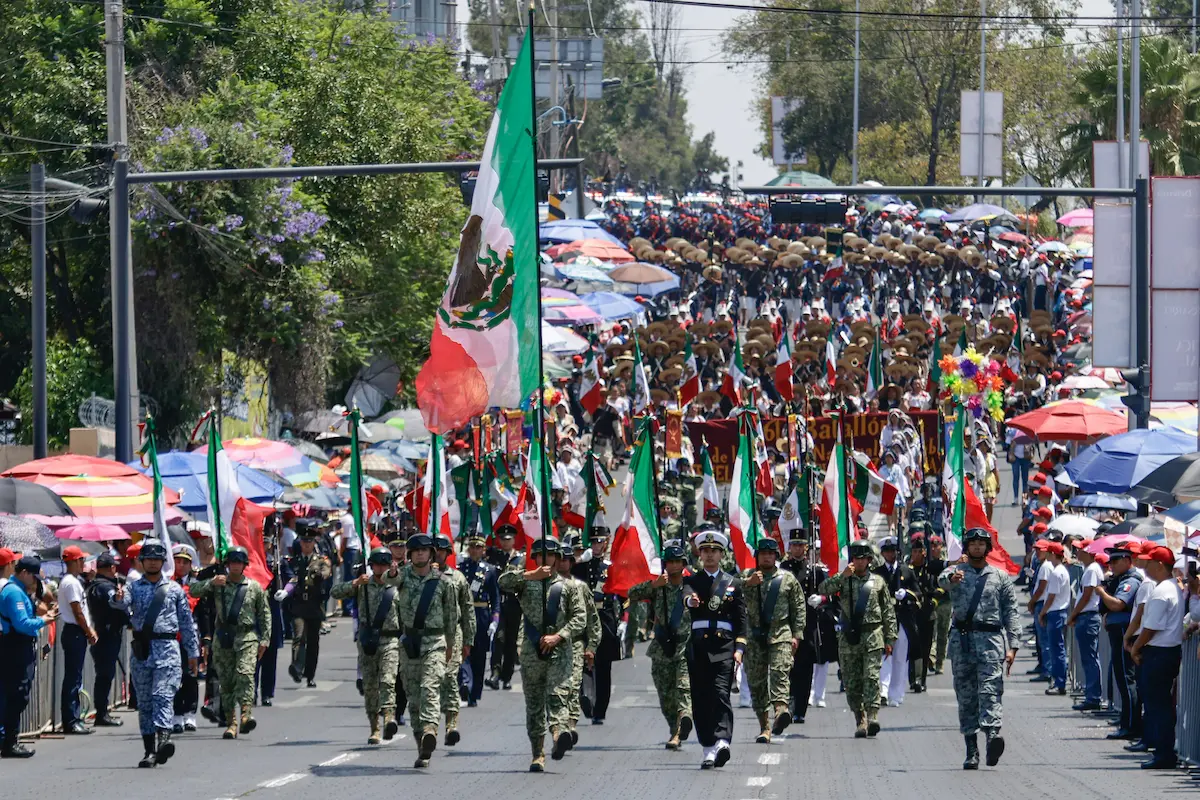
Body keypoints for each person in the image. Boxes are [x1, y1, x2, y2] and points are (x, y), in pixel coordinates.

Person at [498, 537, 587, 772]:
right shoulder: (526, 583)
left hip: (560, 652)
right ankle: (537, 753)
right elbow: (503, 582)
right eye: (540, 555)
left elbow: (580, 618)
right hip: (532, 652)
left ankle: (559, 735)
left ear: (557, 558)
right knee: (535, 704)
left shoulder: (569, 587)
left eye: (550, 555)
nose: (545, 559)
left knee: (558, 696)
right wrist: (529, 575)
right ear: (535, 558)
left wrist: (559, 636)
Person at [939, 528, 1021, 769]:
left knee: (990, 691)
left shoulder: (1000, 577)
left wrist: (1013, 645)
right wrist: (951, 576)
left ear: (987, 547)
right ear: (967, 547)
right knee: (966, 696)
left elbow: (1011, 611)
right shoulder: (956, 573)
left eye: (981, 543)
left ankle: (993, 738)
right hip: (962, 643)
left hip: (991, 643)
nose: (977, 547)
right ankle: (971, 749)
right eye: (973, 543)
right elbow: (941, 581)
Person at [115, 540, 200, 769]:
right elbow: (122, 604)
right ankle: (149, 751)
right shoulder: (133, 587)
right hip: (142, 651)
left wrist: (193, 652)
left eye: (157, 559)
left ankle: (164, 741)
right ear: (142, 562)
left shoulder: (174, 590)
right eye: (149, 559)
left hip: (168, 650)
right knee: (145, 703)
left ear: (163, 562)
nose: (152, 563)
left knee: (163, 696)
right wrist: (118, 598)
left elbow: (186, 623)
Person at [188, 546, 270, 740]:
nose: (235, 566)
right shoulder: (219, 584)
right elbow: (193, 591)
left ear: (244, 565)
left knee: (245, 674)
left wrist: (265, 639)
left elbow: (264, 613)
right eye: (232, 562)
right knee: (226, 683)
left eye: (239, 562)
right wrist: (211, 582)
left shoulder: (254, 587)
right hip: (224, 637)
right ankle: (231, 723)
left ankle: (246, 714)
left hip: (246, 637)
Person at [816, 540, 896, 738]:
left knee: (871, 677)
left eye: (863, 558)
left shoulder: (878, 582)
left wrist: (890, 638)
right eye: (856, 558)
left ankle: (873, 716)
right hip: (849, 636)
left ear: (869, 560)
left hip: (872, 634)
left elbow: (888, 611)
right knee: (852, 683)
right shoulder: (844, 579)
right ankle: (860, 718)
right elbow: (823, 589)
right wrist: (841, 576)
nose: (859, 562)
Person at [682, 530, 746, 769]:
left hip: (724, 647)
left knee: (720, 693)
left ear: (721, 554)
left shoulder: (733, 583)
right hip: (699, 647)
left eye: (714, 551)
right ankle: (708, 748)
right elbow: (686, 596)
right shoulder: (692, 581)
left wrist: (739, 648)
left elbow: (741, 620)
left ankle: (722, 741)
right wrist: (690, 601)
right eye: (705, 551)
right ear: (700, 554)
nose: (709, 555)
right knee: (701, 698)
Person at [332, 546, 402, 745]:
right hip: (368, 640)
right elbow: (334, 592)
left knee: (388, 680)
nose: (380, 568)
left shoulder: (398, 585)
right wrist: (354, 583)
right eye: (376, 565)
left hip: (390, 640)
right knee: (370, 686)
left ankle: (389, 716)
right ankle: (374, 727)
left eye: (384, 564)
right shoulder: (363, 585)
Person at [628, 539, 693, 750]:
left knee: (683, 687)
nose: (673, 565)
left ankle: (685, 718)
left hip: (685, 645)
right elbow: (631, 594)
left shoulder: (691, 586)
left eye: (677, 562)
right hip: (662, 647)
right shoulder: (658, 586)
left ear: (683, 564)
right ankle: (674, 730)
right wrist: (653, 585)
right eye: (670, 562)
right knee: (665, 694)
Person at [393, 533, 450, 768]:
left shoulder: (443, 582)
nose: (419, 553)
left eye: (424, 550)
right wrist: (392, 573)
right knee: (414, 699)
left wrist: (453, 646)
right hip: (410, 644)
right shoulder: (402, 576)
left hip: (435, 641)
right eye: (415, 550)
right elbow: (388, 579)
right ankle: (422, 746)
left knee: (430, 688)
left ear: (431, 554)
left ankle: (430, 730)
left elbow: (451, 616)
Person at [741, 537, 804, 742]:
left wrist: (797, 635)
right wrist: (748, 584)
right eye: (763, 554)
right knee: (757, 682)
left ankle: (780, 710)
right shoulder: (747, 576)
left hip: (780, 633)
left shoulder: (787, 579)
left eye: (770, 554)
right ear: (757, 556)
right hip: (754, 636)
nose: (766, 557)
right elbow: (729, 592)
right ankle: (764, 727)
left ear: (776, 556)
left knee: (780, 672)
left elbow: (798, 607)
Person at [1129, 545, 1185, 769]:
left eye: (1149, 562)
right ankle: (1162, 751)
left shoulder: (1162, 591)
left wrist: (1135, 647)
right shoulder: (1170, 588)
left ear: (1160, 565)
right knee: (1159, 704)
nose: (1145, 566)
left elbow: (1151, 627)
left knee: (1157, 705)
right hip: (1165, 651)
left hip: (1159, 653)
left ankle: (1163, 753)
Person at [0, 556, 55, 758]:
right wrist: (44, 620)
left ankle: (9, 740)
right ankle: (9, 742)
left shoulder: (18, 590)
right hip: (15, 647)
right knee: (17, 694)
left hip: (17, 646)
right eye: (33, 577)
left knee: (15, 694)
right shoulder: (14, 592)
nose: (35, 581)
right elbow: (22, 623)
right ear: (24, 573)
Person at [571, 528, 621, 723]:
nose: (596, 545)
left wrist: (623, 619)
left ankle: (600, 710)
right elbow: (564, 574)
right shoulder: (581, 567)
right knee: (582, 660)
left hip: (605, 617)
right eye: (593, 542)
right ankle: (586, 697)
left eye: (600, 542)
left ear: (606, 543)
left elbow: (622, 593)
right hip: (584, 617)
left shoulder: (611, 567)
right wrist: (578, 560)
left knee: (603, 666)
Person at [1093, 545, 1143, 741]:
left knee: (1126, 680)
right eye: (1110, 561)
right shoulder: (1120, 579)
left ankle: (1131, 726)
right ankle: (1127, 723)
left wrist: (1102, 593)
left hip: (1124, 632)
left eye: (1115, 561)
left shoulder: (1130, 581)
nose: (1111, 565)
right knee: (1122, 680)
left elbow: (1118, 604)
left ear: (1127, 560)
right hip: (1118, 631)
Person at [779, 536, 828, 722]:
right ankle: (788, 706)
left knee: (805, 668)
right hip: (787, 623)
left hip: (808, 624)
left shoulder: (814, 570)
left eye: (800, 545)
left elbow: (830, 594)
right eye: (794, 545)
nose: (797, 548)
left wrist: (821, 599)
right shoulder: (783, 569)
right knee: (787, 667)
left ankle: (800, 709)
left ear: (806, 548)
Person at [556, 541, 599, 744]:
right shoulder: (546, 586)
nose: (562, 563)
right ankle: (560, 726)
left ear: (572, 563)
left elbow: (592, 619)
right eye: (559, 559)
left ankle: (570, 724)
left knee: (573, 686)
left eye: (566, 559)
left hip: (574, 644)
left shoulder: (581, 587)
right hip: (552, 644)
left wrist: (592, 647)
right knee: (556, 689)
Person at [433, 534, 474, 746]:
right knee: (431, 681)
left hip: (452, 634)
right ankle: (429, 727)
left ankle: (451, 725)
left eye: (441, 550)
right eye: (434, 550)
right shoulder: (420, 577)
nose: (437, 554)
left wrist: (468, 639)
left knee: (449, 678)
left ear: (448, 553)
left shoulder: (457, 578)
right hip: (428, 635)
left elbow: (467, 609)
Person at [873, 536, 921, 707]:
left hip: (902, 619)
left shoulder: (906, 571)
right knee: (885, 655)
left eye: (892, 551)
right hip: (884, 620)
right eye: (887, 551)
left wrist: (906, 594)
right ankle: (883, 691)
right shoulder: (877, 573)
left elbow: (918, 593)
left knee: (900, 658)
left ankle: (896, 693)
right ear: (882, 553)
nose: (890, 554)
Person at [58, 545, 98, 734]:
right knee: (73, 678)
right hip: (74, 631)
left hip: (75, 631)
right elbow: (77, 611)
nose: (83, 563)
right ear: (74, 561)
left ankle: (73, 718)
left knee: (75, 676)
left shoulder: (73, 581)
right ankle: (71, 720)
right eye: (81, 560)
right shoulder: (71, 582)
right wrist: (88, 631)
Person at [286, 522, 332, 687]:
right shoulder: (294, 561)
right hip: (299, 604)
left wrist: (318, 574)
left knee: (313, 641)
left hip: (314, 605)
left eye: (309, 541)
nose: (306, 544)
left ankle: (310, 674)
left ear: (314, 542)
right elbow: (290, 577)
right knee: (299, 636)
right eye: (304, 541)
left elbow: (325, 573)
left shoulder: (321, 561)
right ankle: (297, 667)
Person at [87, 552, 129, 728]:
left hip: (104, 633)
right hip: (107, 634)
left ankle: (102, 712)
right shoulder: (105, 587)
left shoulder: (96, 585)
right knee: (104, 675)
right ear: (111, 568)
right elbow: (116, 606)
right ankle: (102, 714)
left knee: (104, 674)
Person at [458, 535, 499, 707]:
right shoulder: (461, 568)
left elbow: (495, 598)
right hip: (463, 614)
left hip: (481, 615)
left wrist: (495, 620)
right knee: (463, 650)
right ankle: (465, 683)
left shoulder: (489, 570)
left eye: (478, 547)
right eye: (472, 547)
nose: (475, 550)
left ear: (483, 550)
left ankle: (475, 694)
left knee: (479, 656)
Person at [1066, 540, 1103, 711]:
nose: (1076, 552)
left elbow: (1087, 595)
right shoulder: (1089, 569)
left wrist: (1074, 614)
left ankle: (1093, 696)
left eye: (1079, 549)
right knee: (1088, 658)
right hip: (1086, 616)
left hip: (1088, 616)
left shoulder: (1092, 569)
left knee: (1090, 658)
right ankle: (1092, 694)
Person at [486, 525, 523, 690]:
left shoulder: (520, 559)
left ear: (514, 540)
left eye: (508, 539)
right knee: (498, 638)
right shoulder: (494, 558)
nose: (505, 542)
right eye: (502, 539)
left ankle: (507, 676)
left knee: (511, 642)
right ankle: (495, 673)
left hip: (514, 604)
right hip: (498, 603)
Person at [906, 532, 941, 693]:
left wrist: (934, 601)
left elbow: (939, 588)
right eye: (914, 551)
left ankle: (922, 679)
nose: (916, 554)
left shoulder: (930, 570)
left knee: (925, 649)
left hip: (928, 614)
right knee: (913, 647)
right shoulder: (908, 570)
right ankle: (913, 678)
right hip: (912, 614)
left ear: (924, 553)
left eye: (919, 551)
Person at [1036, 541, 1070, 696]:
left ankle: (1059, 682)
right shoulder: (1061, 570)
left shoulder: (1056, 573)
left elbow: (1051, 597)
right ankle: (1058, 680)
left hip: (1055, 612)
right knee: (1057, 649)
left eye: (1049, 553)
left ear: (1053, 554)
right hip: (1058, 612)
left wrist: (1042, 612)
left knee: (1056, 650)